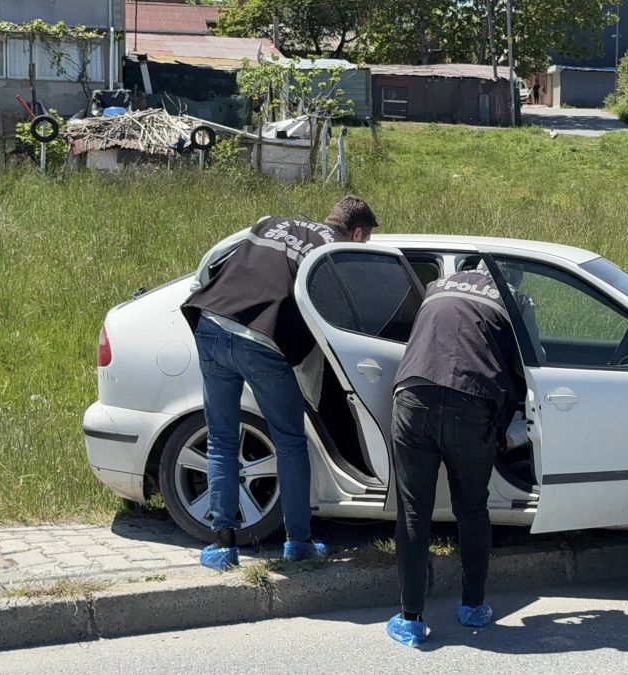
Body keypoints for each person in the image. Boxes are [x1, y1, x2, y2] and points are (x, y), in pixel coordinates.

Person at [180, 196, 379, 570]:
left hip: (212, 323)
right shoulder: (331, 253)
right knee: (289, 442)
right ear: (356, 233)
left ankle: (223, 546)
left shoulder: (270, 222)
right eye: (364, 241)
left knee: (221, 439)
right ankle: (298, 544)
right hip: (261, 342)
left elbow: (218, 261)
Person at [385, 262, 524, 647]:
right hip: (472, 403)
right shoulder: (511, 300)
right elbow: (524, 366)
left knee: (413, 511)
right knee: (472, 509)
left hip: (414, 397)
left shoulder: (437, 285)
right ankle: (473, 606)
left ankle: (411, 619)